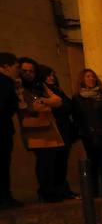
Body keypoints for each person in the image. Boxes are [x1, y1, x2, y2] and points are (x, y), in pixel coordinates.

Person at [17, 58, 65, 202]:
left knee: (50, 161)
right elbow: (30, 107)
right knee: (43, 162)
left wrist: (44, 102)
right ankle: (45, 192)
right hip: (34, 130)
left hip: (48, 128)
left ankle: (49, 191)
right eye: (25, 71)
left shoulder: (40, 85)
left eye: (31, 71)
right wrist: (46, 104)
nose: (28, 74)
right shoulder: (19, 87)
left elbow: (58, 101)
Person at [73, 68, 102, 197]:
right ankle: (93, 192)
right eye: (88, 76)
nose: (91, 79)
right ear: (82, 79)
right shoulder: (77, 97)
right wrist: (85, 132)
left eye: (93, 76)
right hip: (88, 136)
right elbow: (77, 117)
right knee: (92, 163)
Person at [43, 69, 79, 200]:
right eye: (48, 75)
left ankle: (63, 189)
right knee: (54, 163)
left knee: (62, 162)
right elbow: (61, 108)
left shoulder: (57, 91)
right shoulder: (45, 91)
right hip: (54, 130)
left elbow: (69, 106)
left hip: (64, 130)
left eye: (53, 75)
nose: (51, 78)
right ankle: (55, 190)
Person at [0, 52, 23, 209]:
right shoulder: (5, 82)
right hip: (2, 131)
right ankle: (4, 198)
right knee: (2, 164)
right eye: (16, 67)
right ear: (6, 66)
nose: (18, 71)